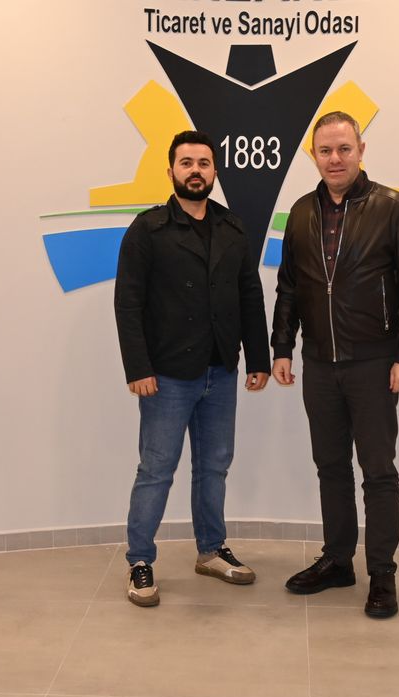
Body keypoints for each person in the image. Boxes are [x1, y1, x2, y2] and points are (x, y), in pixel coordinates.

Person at [271, 111, 399, 619]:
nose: (335, 159)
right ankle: (338, 561)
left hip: (374, 363)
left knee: (378, 472)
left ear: (361, 150)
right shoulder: (301, 212)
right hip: (320, 365)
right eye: (325, 150)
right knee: (330, 467)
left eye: (344, 148)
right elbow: (289, 288)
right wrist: (282, 347)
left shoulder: (393, 207)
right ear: (313, 155)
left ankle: (382, 574)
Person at [114, 130, 271, 607]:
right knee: (156, 469)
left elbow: (249, 295)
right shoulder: (148, 229)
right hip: (165, 375)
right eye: (186, 163)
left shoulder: (232, 227)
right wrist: (138, 367)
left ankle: (210, 550)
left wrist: (258, 358)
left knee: (214, 466)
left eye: (204, 163)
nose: (195, 171)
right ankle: (140, 561)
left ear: (214, 171)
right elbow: (128, 303)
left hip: (220, 371)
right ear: (171, 171)